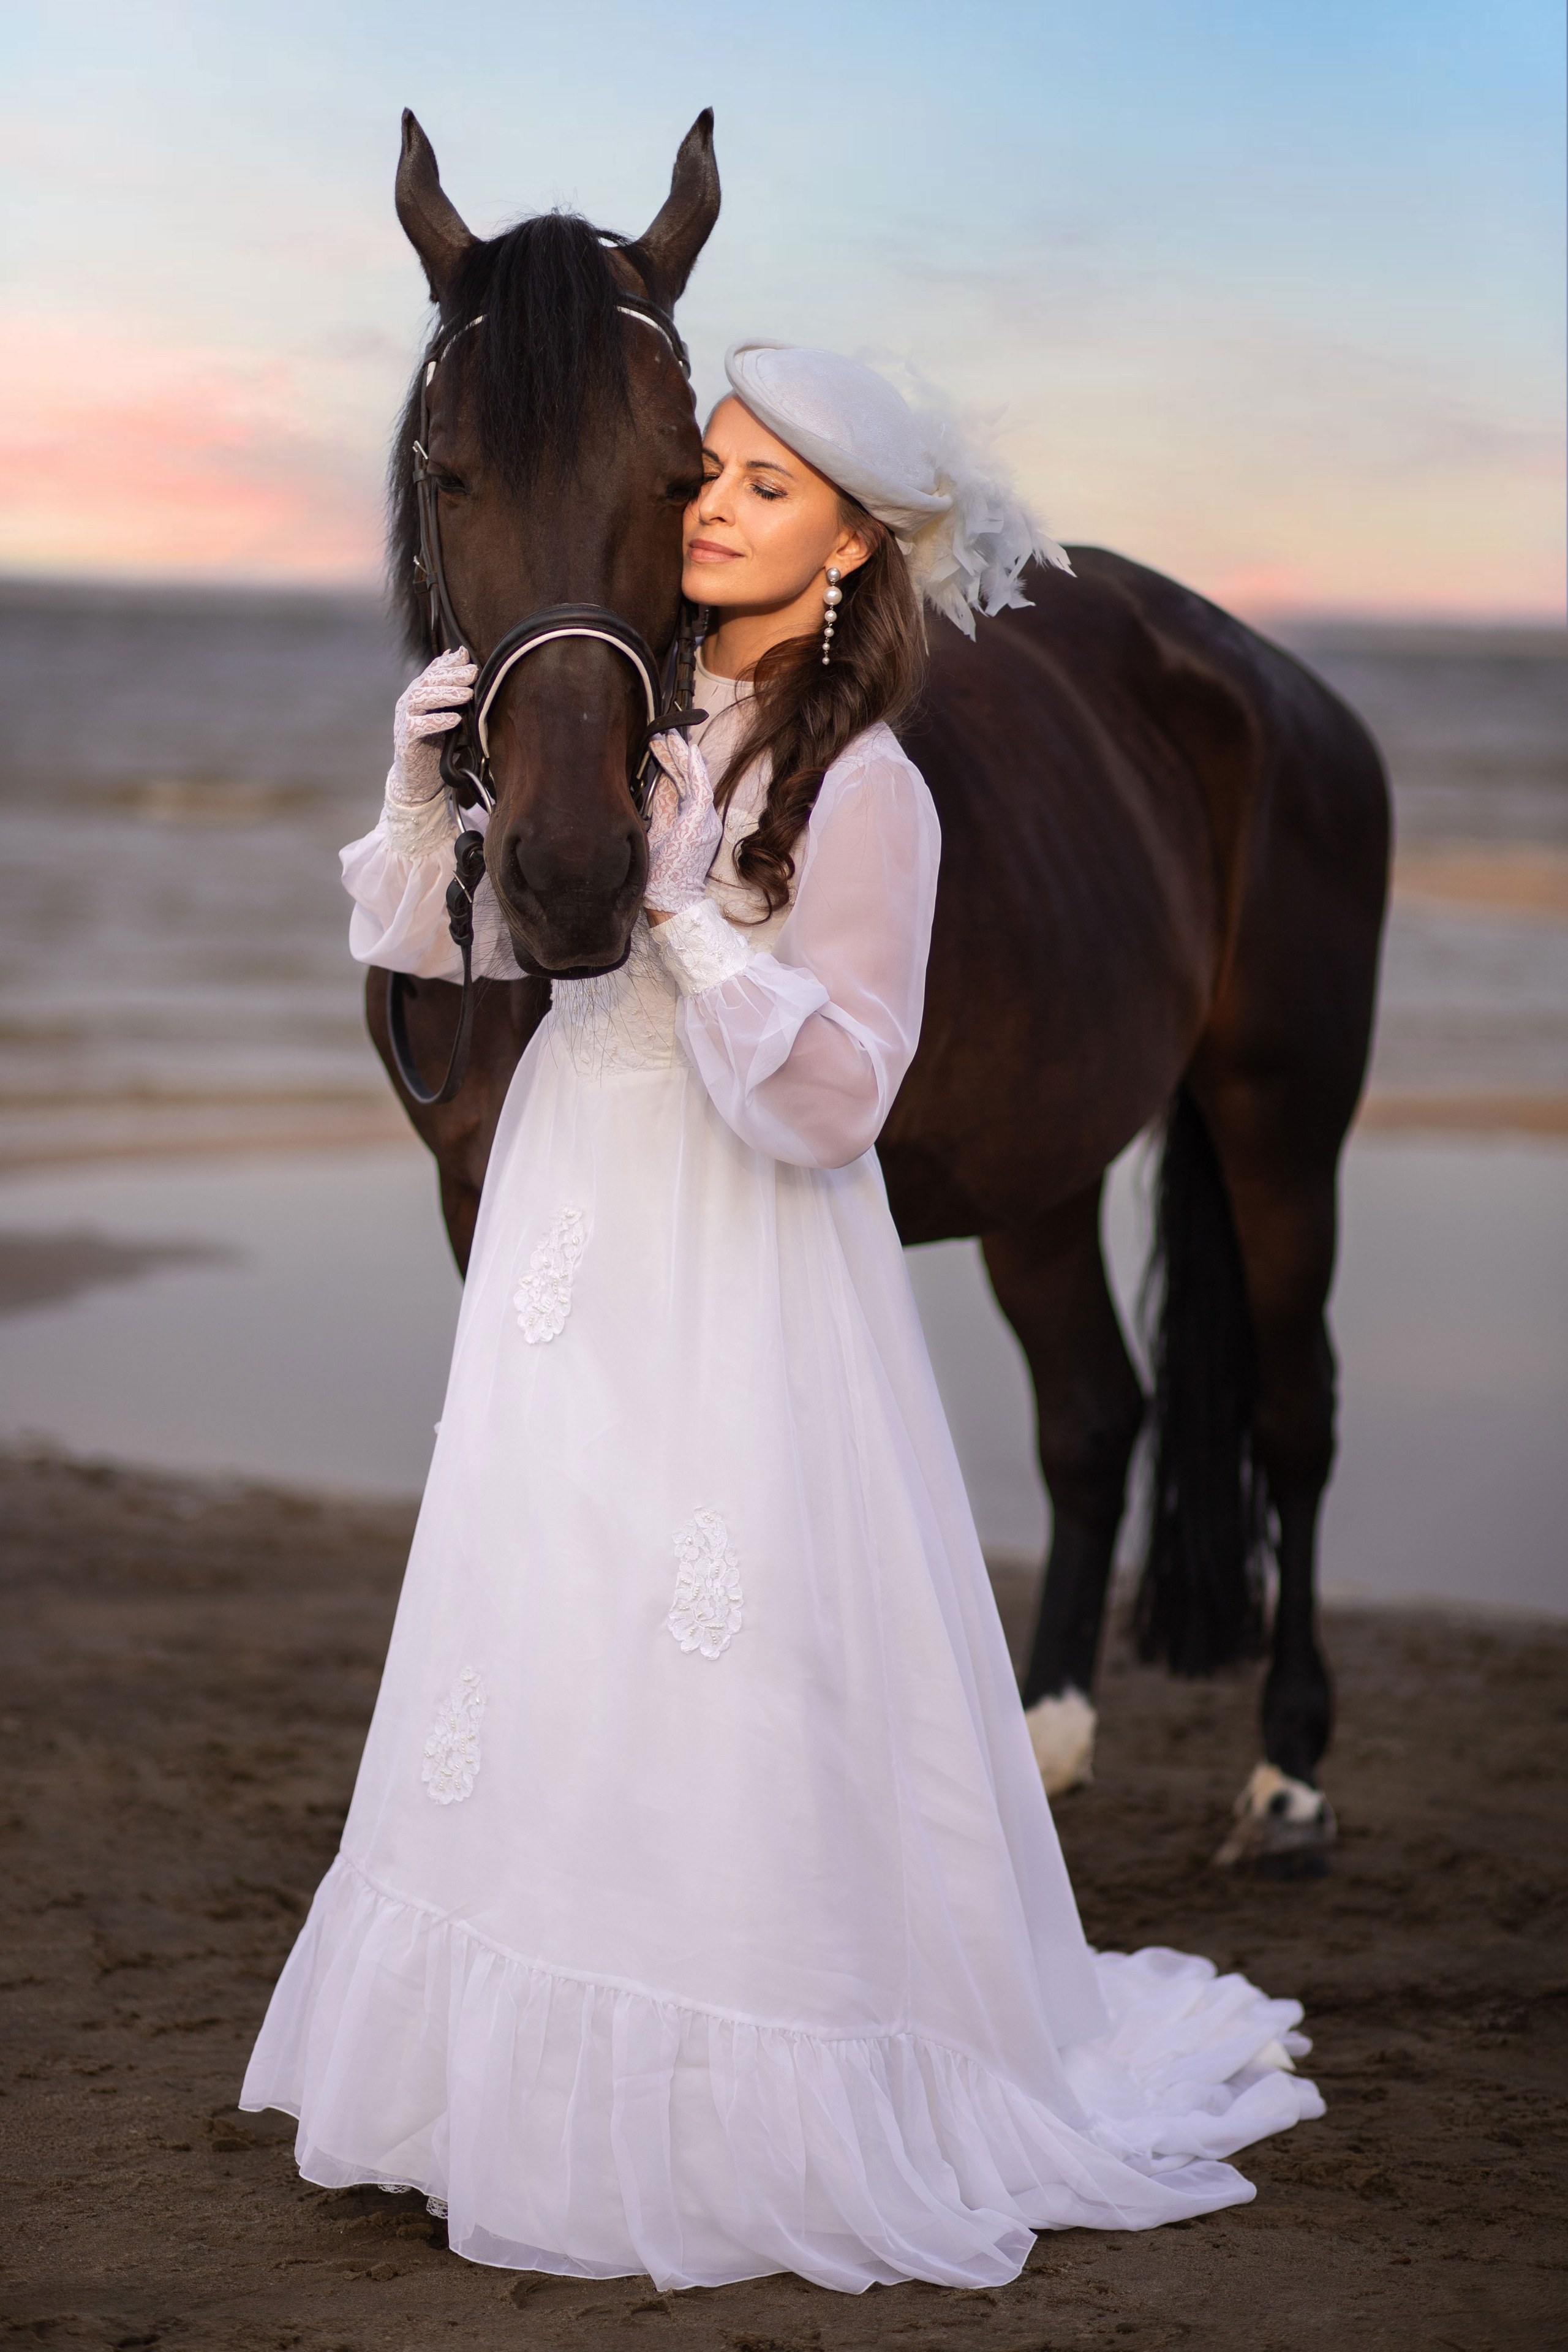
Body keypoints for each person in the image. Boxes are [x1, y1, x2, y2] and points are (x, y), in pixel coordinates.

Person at [241, 342, 1321, 2293]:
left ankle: (728, 2072)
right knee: (553, 1606)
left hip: (740, 1258)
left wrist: (689, 919)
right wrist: (428, 793)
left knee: (722, 1629)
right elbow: (447, 943)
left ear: (847, 549)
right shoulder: (622, 729)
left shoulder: (873, 789)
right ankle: (504, 2046)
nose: (708, 509)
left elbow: (836, 1101)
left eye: (759, 486)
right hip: (579, 1242)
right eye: (705, 477)